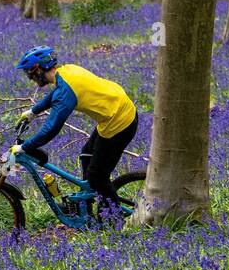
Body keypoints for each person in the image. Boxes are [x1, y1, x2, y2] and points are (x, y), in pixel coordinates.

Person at [12, 45, 139, 219]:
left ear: (39, 69)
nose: (30, 78)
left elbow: (51, 128)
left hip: (119, 122)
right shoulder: (66, 71)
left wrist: (26, 147)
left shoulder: (66, 91)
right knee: (86, 154)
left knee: (97, 176)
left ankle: (114, 222)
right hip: (115, 113)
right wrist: (33, 112)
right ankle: (85, 206)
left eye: (30, 73)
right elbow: (56, 93)